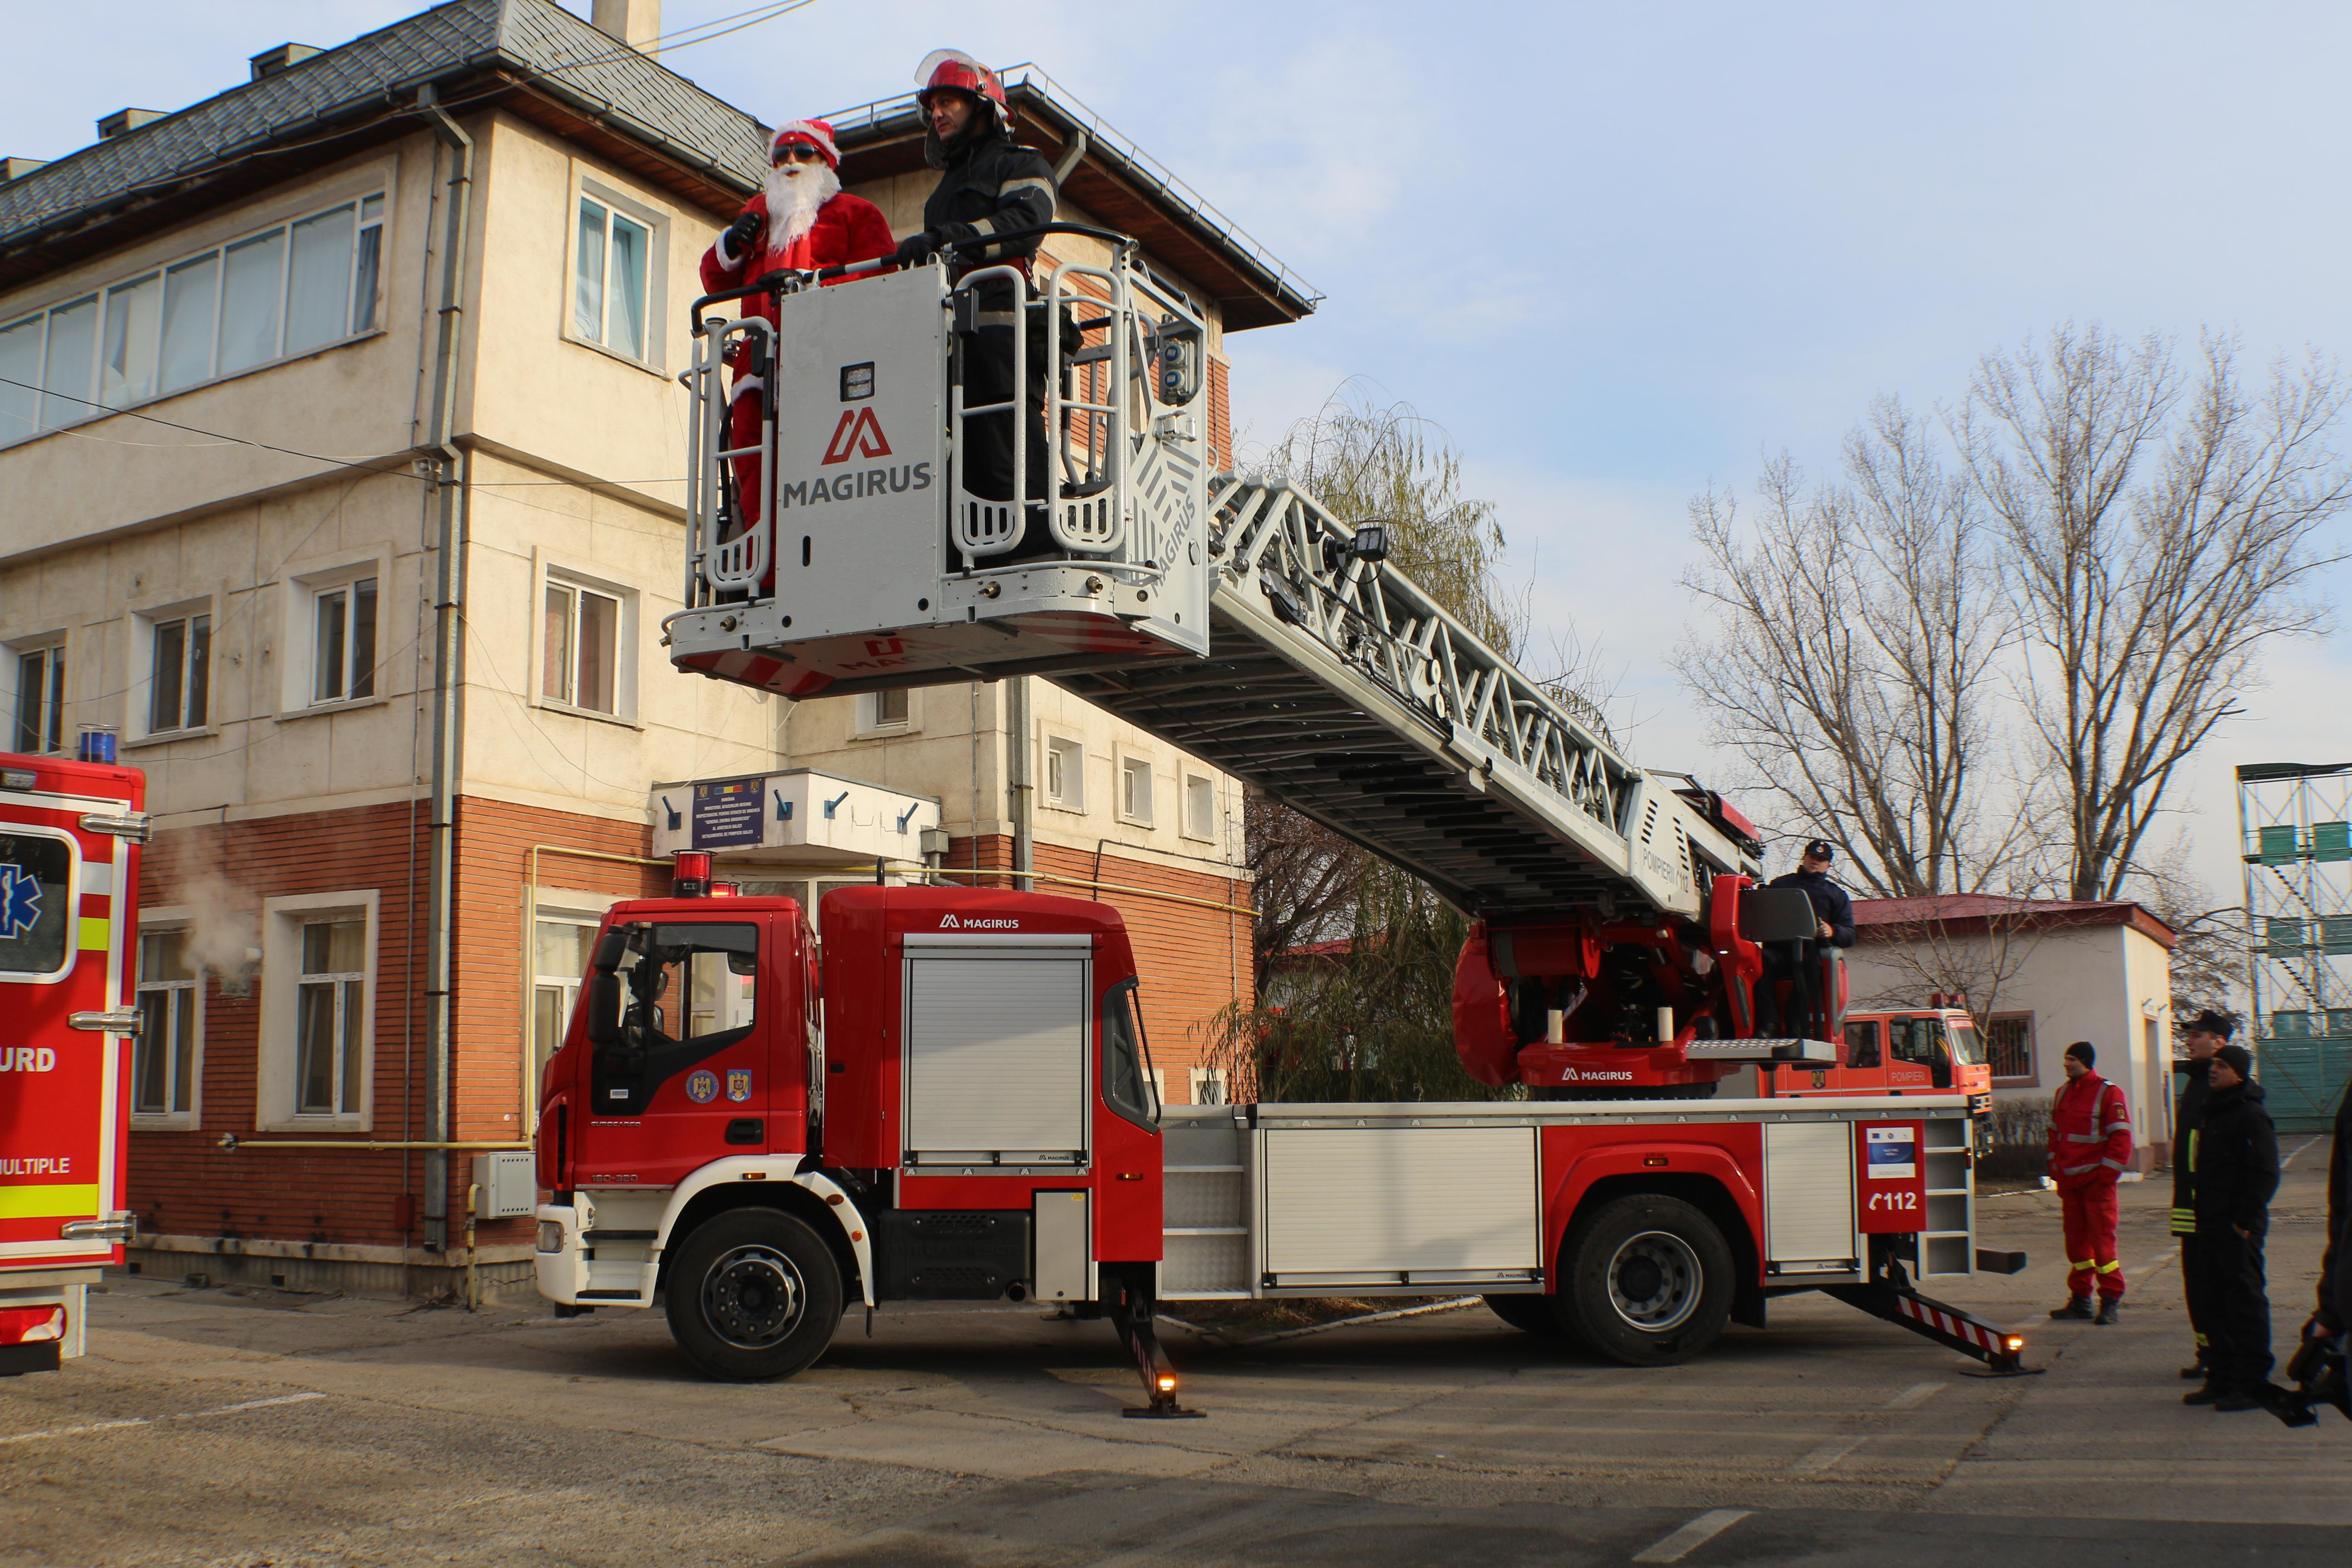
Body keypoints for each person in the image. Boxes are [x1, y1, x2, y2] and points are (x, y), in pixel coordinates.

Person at [698, 119, 896, 537]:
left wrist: (809, 288)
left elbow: (882, 279)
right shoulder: (757, 218)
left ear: (825, 161)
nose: (790, 162)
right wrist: (732, 245)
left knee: (820, 461)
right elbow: (715, 280)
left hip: (830, 356)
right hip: (759, 360)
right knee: (752, 460)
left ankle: (820, 551)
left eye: (802, 153)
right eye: (780, 155)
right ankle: (763, 563)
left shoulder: (856, 214)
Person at [892, 50, 1060, 530]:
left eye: (949, 102)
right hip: (950, 332)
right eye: (933, 106)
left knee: (1005, 438)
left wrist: (949, 238)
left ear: (983, 107)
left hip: (1002, 326)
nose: (937, 114)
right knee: (954, 443)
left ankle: (1029, 531)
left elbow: (1026, 223)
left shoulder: (1023, 164)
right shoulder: (943, 190)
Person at [2185, 1044, 2280, 1411]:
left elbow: (2266, 1174)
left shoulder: (2250, 1115)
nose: (2214, 1070)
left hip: (2238, 1229)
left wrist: (2244, 1222)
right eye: (2214, 1065)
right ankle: (2221, 1378)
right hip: (2209, 1225)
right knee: (2213, 1304)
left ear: (2239, 1073)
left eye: (2222, 1066)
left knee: (2244, 1304)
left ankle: (2252, 1383)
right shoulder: (2213, 1111)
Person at [2044, 1041, 2133, 1324]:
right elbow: (2056, 1135)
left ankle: (2110, 1301)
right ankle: (2081, 1299)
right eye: (2065, 1059)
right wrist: (2055, 1168)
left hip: (2096, 1185)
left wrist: (2105, 1178)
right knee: (2077, 1246)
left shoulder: (2109, 1093)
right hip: (2071, 1184)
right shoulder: (2063, 1094)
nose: (2066, 1064)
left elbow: (2121, 1139)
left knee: (2103, 1245)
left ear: (2085, 1061)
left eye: (2071, 1059)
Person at [2171, 1009, 2231, 1382]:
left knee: (2215, 1281)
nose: (2189, 1041)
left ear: (2219, 1042)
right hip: (2187, 1204)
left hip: (2210, 1205)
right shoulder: (2196, 1082)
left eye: (2197, 1035)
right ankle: (2206, 1350)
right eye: (2189, 1035)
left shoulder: (2219, 1086)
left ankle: (2224, 1353)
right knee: (2194, 1280)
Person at [1762, 839, 1855, 1036]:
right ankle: (1768, 1023)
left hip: (1811, 954)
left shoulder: (1836, 895)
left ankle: (1795, 1021)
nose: (1815, 862)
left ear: (1828, 865)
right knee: (1760, 960)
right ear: (1805, 858)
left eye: (1821, 859)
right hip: (1780, 951)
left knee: (1815, 966)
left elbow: (1850, 934)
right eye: (1812, 857)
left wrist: (1833, 931)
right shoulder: (1780, 885)